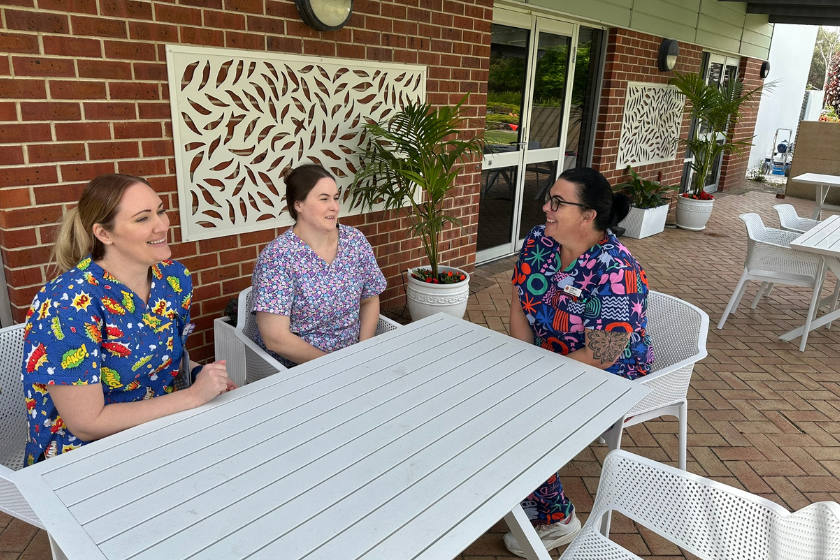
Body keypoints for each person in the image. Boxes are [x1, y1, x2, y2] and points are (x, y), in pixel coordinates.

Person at [22, 174, 235, 465]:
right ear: (104, 234)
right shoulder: (67, 303)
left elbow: (162, 358)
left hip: (166, 428)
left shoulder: (173, 278)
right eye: (142, 218)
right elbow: (86, 422)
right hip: (84, 459)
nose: (162, 225)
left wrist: (199, 373)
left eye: (160, 210)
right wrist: (193, 397)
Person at [504, 167, 654, 557]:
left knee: (527, 413)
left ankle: (557, 520)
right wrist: (524, 359)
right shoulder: (541, 241)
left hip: (609, 373)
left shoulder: (618, 270)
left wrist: (541, 377)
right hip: (548, 356)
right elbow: (522, 303)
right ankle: (516, 484)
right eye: (548, 198)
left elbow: (602, 354)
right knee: (489, 392)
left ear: (588, 216)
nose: (545, 208)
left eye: (557, 202)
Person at [249, 164, 386, 367]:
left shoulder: (354, 241)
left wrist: (362, 351)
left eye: (335, 197)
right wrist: (334, 365)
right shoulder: (278, 257)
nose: (334, 206)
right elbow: (275, 338)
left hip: (355, 359)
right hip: (300, 368)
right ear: (299, 205)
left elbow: (369, 300)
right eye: (324, 199)